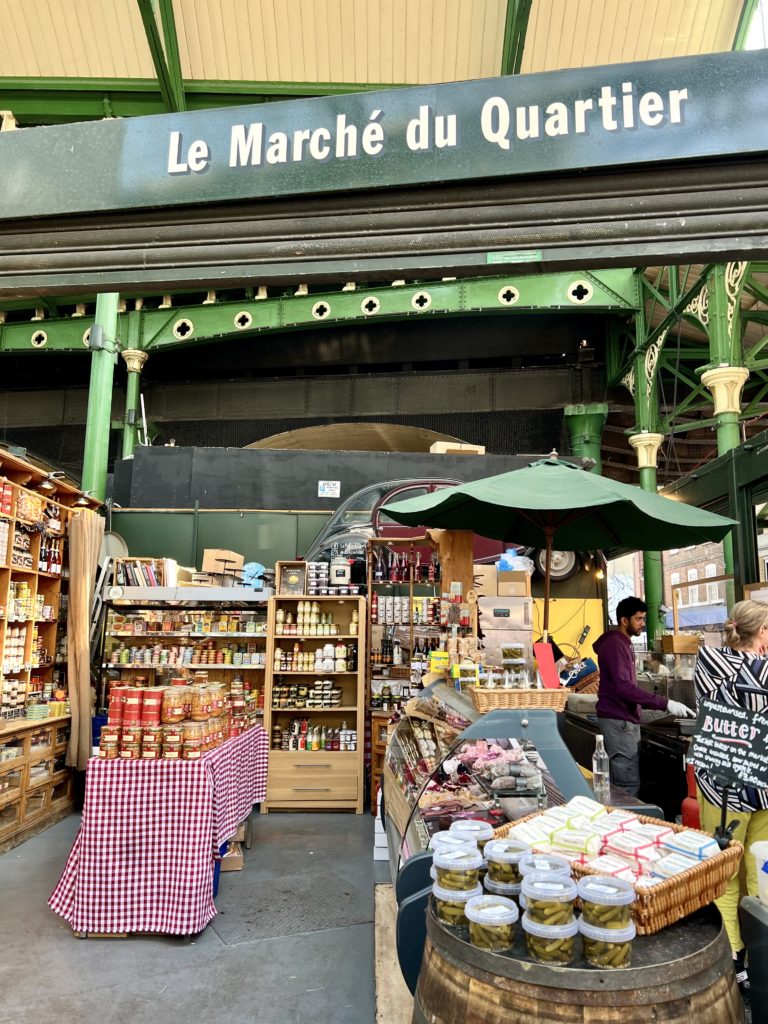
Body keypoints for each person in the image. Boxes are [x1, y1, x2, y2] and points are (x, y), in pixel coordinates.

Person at [693, 599, 768, 990]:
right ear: (761, 633)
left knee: (724, 870)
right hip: (763, 785)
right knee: (760, 871)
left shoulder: (707, 662)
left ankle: (732, 954)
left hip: (720, 784)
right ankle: (761, 953)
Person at [594, 596, 694, 796]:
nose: (642, 624)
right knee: (627, 783)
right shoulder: (615, 644)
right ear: (624, 620)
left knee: (624, 780)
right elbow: (624, 687)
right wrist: (665, 703)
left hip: (621, 718)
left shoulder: (622, 643)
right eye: (638, 619)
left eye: (643, 619)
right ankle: (626, 823)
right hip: (619, 719)